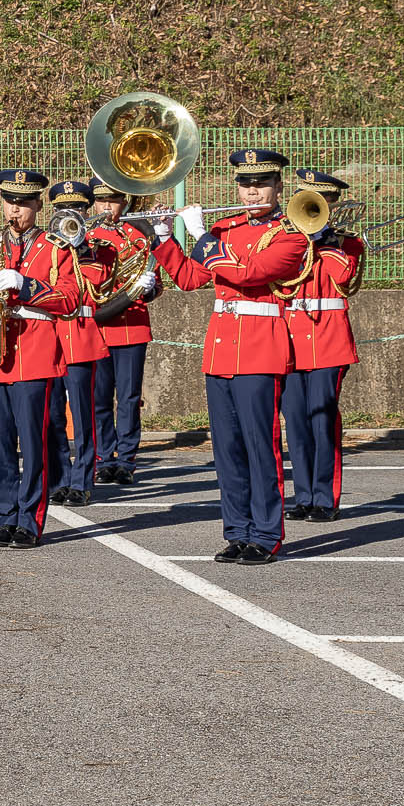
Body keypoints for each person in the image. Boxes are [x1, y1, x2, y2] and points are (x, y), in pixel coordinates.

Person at [152, 147, 309, 565]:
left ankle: (266, 533)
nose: (252, 192)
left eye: (261, 183)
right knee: (227, 450)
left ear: (279, 186)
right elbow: (188, 278)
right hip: (221, 350)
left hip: (261, 349)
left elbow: (250, 274)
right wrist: (165, 238)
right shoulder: (226, 228)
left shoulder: (290, 234)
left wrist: (202, 236)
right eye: (245, 184)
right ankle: (237, 531)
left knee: (262, 447)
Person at [0, 170, 81, 548]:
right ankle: (5, 516)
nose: (16, 209)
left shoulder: (57, 248)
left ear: (38, 205)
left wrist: (26, 286)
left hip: (36, 353)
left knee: (35, 442)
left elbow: (71, 299)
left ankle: (30, 520)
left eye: (24, 203)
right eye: (10, 201)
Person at [281, 168, 365, 523]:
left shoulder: (347, 243)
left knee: (322, 419)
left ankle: (325, 497)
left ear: (332, 205)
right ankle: (303, 494)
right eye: (305, 200)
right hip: (287, 338)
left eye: (320, 202)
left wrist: (325, 240)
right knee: (296, 421)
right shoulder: (285, 239)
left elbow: (344, 279)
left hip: (328, 340)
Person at [45, 178, 114, 507]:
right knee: (53, 414)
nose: (68, 215)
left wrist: (82, 246)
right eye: (61, 210)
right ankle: (59, 477)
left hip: (82, 335)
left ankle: (83, 480)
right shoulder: (43, 249)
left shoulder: (98, 250)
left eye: (76, 210)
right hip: (49, 336)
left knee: (83, 415)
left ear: (87, 213)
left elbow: (95, 284)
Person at [87, 176, 160, 486]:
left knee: (129, 398)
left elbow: (155, 279)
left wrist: (151, 287)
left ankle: (127, 459)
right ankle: (104, 458)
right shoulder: (86, 234)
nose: (108, 207)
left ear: (125, 201)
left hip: (131, 325)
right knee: (99, 397)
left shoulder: (139, 234)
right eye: (102, 200)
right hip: (98, 325)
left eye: (114, 200)